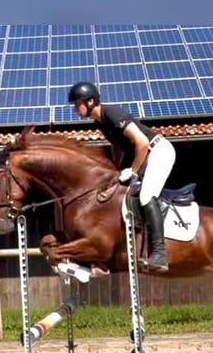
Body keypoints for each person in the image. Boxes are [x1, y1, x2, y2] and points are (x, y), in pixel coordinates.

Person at [67, 81, 176, 272]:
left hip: (159, 151)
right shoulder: (100, 122)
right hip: (145, 155)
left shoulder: (111, 113)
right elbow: (118, 147)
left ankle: (160, 254)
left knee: (146, 195)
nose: (76, 109)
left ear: (91, 101)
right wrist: (115, 171)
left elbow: (142, 143)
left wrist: (133, 171)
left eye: (78, 104)